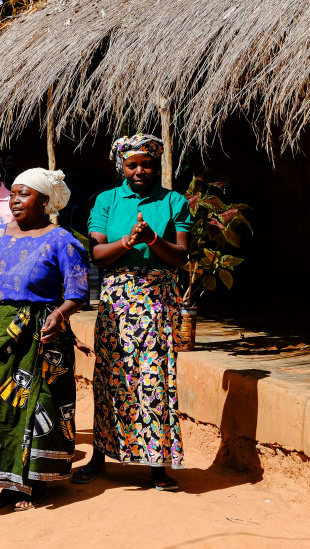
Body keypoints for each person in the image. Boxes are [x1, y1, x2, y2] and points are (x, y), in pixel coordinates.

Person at [71, 134, 190, 491]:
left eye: (147, 163)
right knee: (110, 377)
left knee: (155, 378)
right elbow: (98, 254)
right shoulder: (107, 200)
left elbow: (181, 256)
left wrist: (153, 239)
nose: (139, 170)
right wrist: (128, 242)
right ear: (121, 166)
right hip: (116, 302)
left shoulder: (174, 201)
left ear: (157, 165)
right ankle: (99, 458)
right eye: (132, 164)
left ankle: (157, 465)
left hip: (157, 300)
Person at [0, 168, 88, 512]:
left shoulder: (63, 240)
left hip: (42, 332)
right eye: (13, 195)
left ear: (45, 201)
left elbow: (77, 292)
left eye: (24, 194)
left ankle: (36, 481)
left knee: (41, 405)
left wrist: (60, 314)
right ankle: (7, 481)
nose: (15, 201)